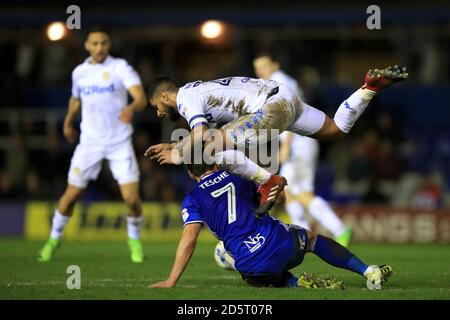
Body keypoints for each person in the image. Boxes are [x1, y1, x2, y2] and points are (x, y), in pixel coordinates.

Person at [145, 66, 408, 216]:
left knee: (212, 146)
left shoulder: (185, 99)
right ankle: (369, 88)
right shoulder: (197, 90)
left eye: (156, 105)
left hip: (270, 105)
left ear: (166, 96)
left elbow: (202, 135)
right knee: (335, 129)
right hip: (283, 96)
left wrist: (177, 154)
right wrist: (176, 145)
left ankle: (268, 181)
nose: (158, 113)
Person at [149, 163, 393, 289]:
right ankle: (367, 271)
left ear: (192, 174)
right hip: (281, 242)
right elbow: (281, 198)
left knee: (254, 269)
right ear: (215, 162)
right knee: (312, 240)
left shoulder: (192, 197)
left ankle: (296, 283)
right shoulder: (240, 175)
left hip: (250, 264)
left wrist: (172, 279)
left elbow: (189, 238)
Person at [37, 28, 147, 263]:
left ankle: (134, 242)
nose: (99, 48)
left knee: (131, 200)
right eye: (95, 43)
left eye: (104, 43)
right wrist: (67, 121)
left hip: (119, 143)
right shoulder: (80, 73)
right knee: (71, 195)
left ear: (109, 45)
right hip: (90, 143)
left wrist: (130, 107)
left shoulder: (120, 67)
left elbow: (140, 97)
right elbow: (76, 99)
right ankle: (53, 240)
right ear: (87, 45)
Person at [253, 52, 352, 247]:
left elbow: (290, 114)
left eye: (263, 66)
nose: (259, 72)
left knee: (292, 191)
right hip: (303, 142)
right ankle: (306, 236)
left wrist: (286, 146)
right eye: (257, 68)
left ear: (275, 64)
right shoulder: (279, 82)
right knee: (294, 192)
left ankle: (337, 229)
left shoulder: (280, 82)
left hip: (298, 143)